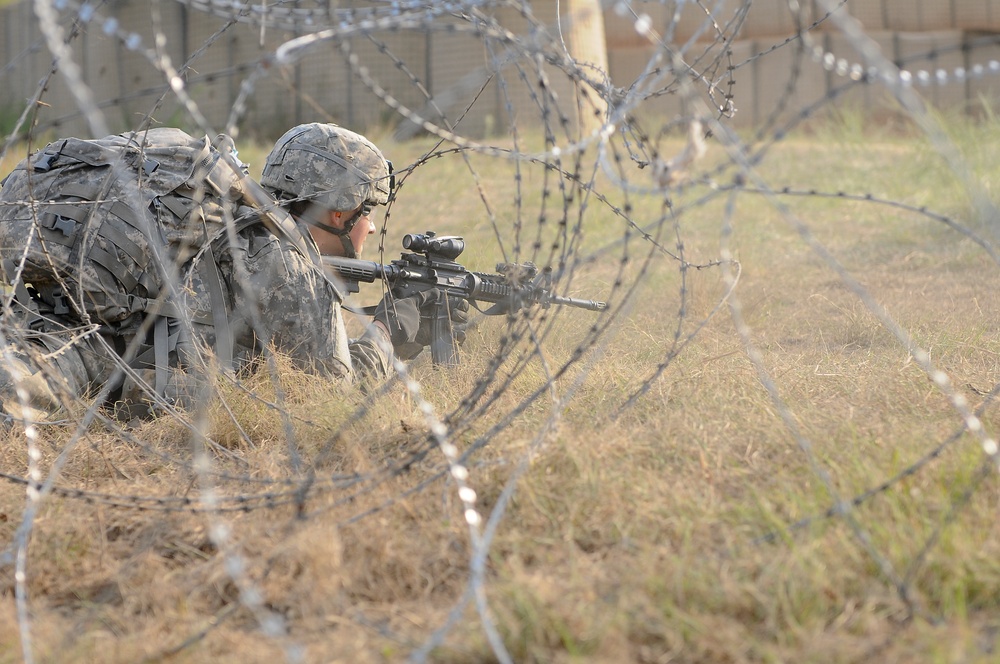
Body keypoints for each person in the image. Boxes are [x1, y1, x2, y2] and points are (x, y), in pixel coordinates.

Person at [0, 122, 466, 422]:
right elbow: (331, 395)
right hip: (102, 360)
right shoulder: (287, 259)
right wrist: (387, 331)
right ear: (340, 213)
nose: (372, 225)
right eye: (369, 211)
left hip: (51, 317)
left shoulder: (228, 218)